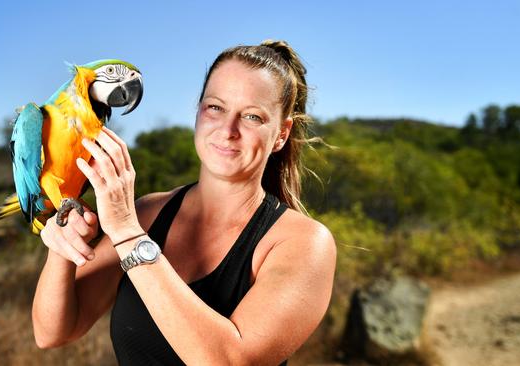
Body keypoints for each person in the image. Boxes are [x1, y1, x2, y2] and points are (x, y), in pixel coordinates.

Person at [32, 40, 336, 365]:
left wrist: (127, 234)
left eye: (252, 117)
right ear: (199, 111)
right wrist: (62, 246)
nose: (228, 130)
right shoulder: (149, 214)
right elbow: (53, 333)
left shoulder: (303, 243)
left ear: (281, 134)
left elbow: (231, 361)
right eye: (215, 108)